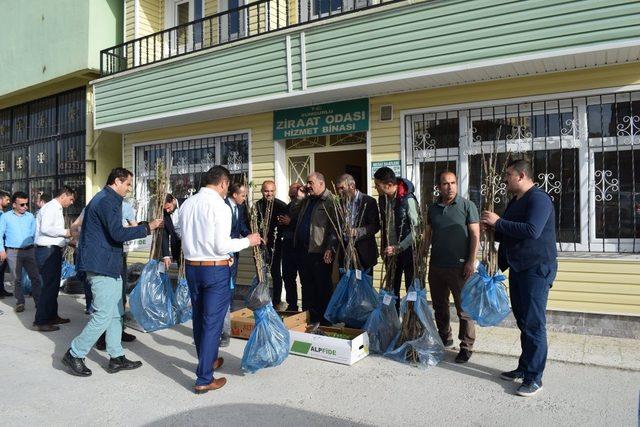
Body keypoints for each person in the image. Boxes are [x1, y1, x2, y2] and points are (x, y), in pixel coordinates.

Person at [61, 168, 163, 377]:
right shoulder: (107, 200)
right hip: (101, 266)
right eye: (127, 185)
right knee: (103, 315)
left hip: (110, 265)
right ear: (117, 181)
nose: (129, 189)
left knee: (117, 313)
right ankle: (75, 353)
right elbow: (117, 233)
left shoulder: (105, 199)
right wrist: (147, 227)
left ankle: (116, 357)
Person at [178, 166, 260, 393]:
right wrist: (248, 240)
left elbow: (181, 234)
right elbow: (222, 245)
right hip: (214, 270)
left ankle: (209, 360)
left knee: (198, 317)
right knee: (212, 322)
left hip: (192, 267)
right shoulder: (220, 207)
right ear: (223, 184)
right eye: (227, 187)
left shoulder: (187, 204)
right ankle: (204, 378)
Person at [481, 158, 557, 397]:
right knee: (524, 321)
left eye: (509, 175)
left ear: (522, 176)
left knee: (534, 324)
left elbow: (532, 231)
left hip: (536, 270)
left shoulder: (539, 199)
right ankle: (524, 368)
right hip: (518, 268)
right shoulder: (515, 201)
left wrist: (499, 222)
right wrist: (492, 232)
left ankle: (535, 378)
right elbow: (509, 235)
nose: (505, 179)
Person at [425, 171, 480, 364]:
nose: (449, 187)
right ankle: (444, 337)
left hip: (459, 267)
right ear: (438, 187)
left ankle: (466, 346)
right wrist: (423, 256)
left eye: (453, 183)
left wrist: (470, 261)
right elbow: (428, 236)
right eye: (445, 183)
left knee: (464, 309)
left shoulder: (467, 206)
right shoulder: (432, 209)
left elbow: (475, 235)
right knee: (440, 306)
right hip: (437, 266)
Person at [292, 172, 338, 324]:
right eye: (307, 182)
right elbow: (293, 215)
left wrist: (330, 247)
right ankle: (309, 320)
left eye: (310, 182)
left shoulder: (330, 200)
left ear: (321, 183)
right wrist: (299, 198)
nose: (307, 185)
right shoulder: (307, 200)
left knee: (322, 288)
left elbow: (335, 228)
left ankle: (324, 322)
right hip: (303, 251)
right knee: (306, 287)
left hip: (320, 253)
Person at [373, 167, 419, 311]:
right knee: (392, 289)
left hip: (408, 251)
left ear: (388, 184)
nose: (375, 187)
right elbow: (385, 225)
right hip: (390, 253)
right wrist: (383, 246)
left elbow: (417, 230)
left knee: (411, 289)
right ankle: (393, 322)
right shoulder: (382, 199)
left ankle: (411, 324)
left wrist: (399, 247)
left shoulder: (408, 199)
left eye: (377, 184)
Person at [33, 186, 76, 332]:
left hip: (52, 250)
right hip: (46, 251)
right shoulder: (51, 207)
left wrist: (67, 242)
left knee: (53, 286)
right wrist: (67, 232)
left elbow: (52, 234)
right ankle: (41, 321)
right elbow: (46, 229)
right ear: (64, 195)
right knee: (48, 286)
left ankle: (52, 316)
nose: (71, 203)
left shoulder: (55, 208)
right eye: (70, 199)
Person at [0, 191, 42, 313]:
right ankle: (20, 302)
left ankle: (39, 302)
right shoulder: (5, 217)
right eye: (22, 204)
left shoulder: (30, 216)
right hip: (12, 252)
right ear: (14, 205)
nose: (25, 207)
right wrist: (1, 250)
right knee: (16, 279)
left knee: (36, 277)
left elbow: (35, 234)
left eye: (26, 204)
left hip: (30, 251)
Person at [220, 182, 250, 347]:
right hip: (223, 253)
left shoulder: (239, 207)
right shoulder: (222, 206)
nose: (244, 198)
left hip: (234, 254)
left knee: (231, 286)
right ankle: (222, 329)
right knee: (223, 288)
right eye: (243, 195)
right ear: (235, 195)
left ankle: (227, 323)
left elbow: (241, 226)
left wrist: (250, 236)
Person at [335, 173, 380, 272]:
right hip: (346, 253)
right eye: (338, 189)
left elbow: (375, 226)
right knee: (346, 285)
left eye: (342, 188)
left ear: (352, 186)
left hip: (364, 254)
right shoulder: (340, 204)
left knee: (364, 286)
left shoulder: (368, 202)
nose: (339, 192)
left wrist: (357, 231)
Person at [255, 180, 288, 308]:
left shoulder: (281, 206)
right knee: (261, 273)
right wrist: (259, 236)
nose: (269, 193)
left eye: (271, 191)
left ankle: (276, 301)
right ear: (262, 191)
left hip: (276, 245)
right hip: (260, 245)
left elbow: (287, 226)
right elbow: (252, 224)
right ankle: (262, 299)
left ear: (275, 191)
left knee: (275, 273)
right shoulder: (257, 206)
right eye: (266, 191)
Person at [279, 183, 304, 312]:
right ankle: (292, 305)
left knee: (305, 279)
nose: (292, 199)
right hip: (288, 245)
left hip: (301, 246)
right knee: (288, 276)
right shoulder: (287, 207)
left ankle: (306, 306)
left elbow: (305, 225)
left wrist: (291, 222)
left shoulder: (305, 206)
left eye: (294, 196)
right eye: (290, 196)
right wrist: (282, 222)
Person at [161, 194, 182, 270]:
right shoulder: (164, 213)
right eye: (165, 209)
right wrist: (166, 256)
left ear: (173, 200)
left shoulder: (187, 203)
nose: (167, 211)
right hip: (177, 248)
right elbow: (165, 233)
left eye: (169, 207)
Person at [0, 190, 13, 298]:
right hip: (1, 245)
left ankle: (1, 289)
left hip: (4, 244)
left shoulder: (2, 213)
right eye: (7, 199)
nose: (8, 202)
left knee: (2, 269)